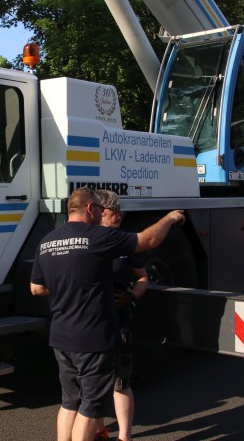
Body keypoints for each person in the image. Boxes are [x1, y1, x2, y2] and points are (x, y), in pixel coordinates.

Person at [30, 187, 185, 441]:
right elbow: (148, 241)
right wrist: (169, 218)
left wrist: (68, 289)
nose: (101, 213)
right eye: (100, 209)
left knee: (69, 402)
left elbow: (36, 288)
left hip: (60, 337)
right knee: (89, 408)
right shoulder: (98, 237)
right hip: (93, 338)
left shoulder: (47, 241)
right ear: (90, 208)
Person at [94, 189, 146, 441]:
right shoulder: (87, 241)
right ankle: (99, 430)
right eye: (116, 211)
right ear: (100, 213)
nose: (121, 214)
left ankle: (125, 437)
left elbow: (143, 277)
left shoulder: (126, 242)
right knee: (91, 384)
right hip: (91, 324)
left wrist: (132, 296)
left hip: (119, 323)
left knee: (120, 382)